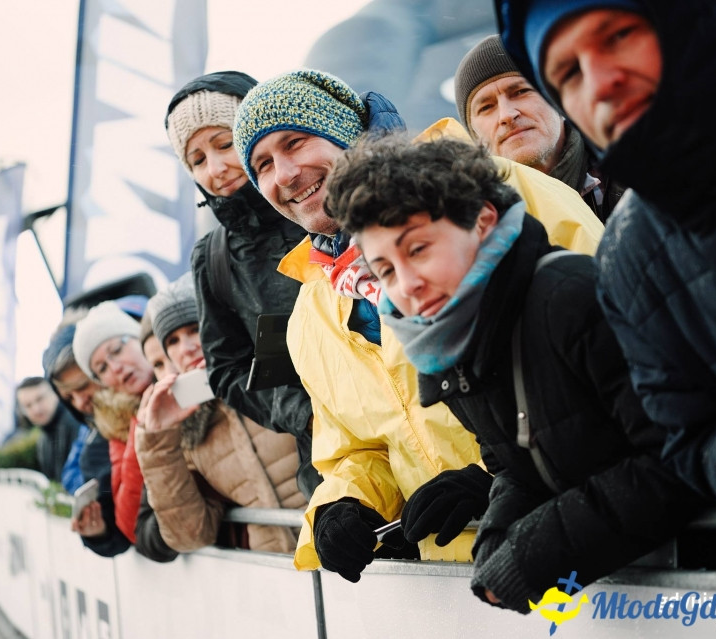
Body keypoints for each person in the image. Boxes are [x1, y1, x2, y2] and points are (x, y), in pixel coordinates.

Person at [497, 0, 716, 620]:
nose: (600, 80)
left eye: (617, 35)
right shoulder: (628, 259)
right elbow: (693, 436)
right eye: (567, 74)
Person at [232, 69, 603, 582]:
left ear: (345, 131)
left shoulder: (496, 188)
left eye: (295, 141)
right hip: (450, 580)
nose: (285, 174)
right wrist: (346, 505)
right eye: (262, 165)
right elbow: (355, 451)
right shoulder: (310, 315)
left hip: (588, 538)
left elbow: (614, 340)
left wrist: (499, 475)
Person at [325, 133, 709, 612]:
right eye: (384, 270)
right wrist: (498, 543)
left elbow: (681, 456)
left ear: (483, 220)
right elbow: (513, 464)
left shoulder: (568, 297)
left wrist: (534, 555)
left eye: (419, 249)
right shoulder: (452, 346)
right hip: (632, 586)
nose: (407, 285)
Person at [165, 71, 320, 498]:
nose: (215, 169)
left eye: (224, 143)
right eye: (197, 160)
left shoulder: (326, 199)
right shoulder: (212, 259)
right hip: (329, 460)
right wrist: (298, 411)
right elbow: (227, 368)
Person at [133, 275, 306, 559]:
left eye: (193, 329)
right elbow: (190, 535)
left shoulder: (276, 370)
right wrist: (157, 441)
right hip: (278, 575)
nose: (185, 348)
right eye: (172, 341)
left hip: (351, 551)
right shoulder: (189, 431)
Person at [454, 34, 622, 222]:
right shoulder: (477, 223)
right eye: (486, 107)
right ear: (474, 135)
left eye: (520, 91)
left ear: (557, 99)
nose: (506, 115)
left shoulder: (633, 171)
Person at [42, 309, 130, 557]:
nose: (80, 402)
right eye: (69, 397)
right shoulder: (93, 451)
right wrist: (100, 533)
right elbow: (123, 531)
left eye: (83, 386)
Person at [73, 301, 155, 546]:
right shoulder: (113, 433)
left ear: (138, 336)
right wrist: (138, 432)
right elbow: (130, 526)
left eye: (117, 350)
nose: (116, 368)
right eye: (102, 368)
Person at [15, 376, 82, 483]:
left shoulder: (76, 422)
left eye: (40, 399)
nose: (36, 409)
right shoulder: (42, 441)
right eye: (28, 405)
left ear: (55, 394)